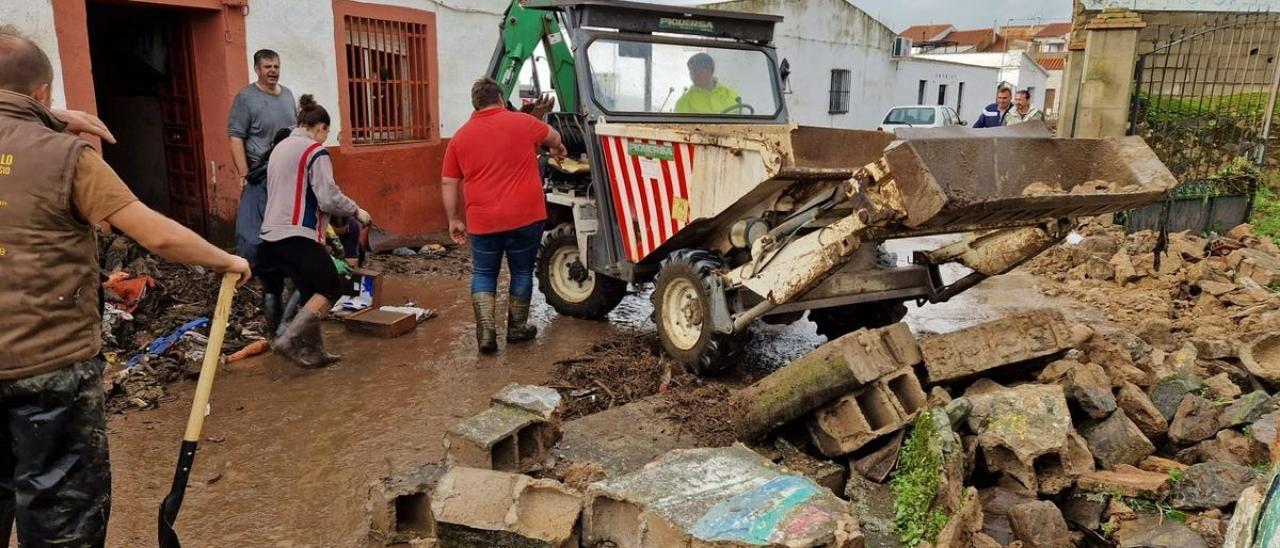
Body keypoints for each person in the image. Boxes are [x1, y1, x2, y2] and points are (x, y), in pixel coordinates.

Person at [0, 28, 251, 546]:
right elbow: (157, 233)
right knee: (61, 512)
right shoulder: (66, 157)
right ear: (43, 93)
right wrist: (228, 258)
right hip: (49, 367)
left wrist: (45, 114)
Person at [441, 78, 567, 354]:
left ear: (475, 104)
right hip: (525, 216)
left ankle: (486, 332)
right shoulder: (522, 122)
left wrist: (454, 219)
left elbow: (449, 182)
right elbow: (554, 137)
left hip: (483, 221)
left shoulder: (460, 137)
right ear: (500, 98)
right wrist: (558, 149)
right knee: (521, 270)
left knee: (484, 272)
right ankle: (517, 328)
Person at [260, 94, 372, 368]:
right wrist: (357, 211)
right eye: (326, 132)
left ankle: (316, 351)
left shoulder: (279, 148)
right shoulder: (314, 151)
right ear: (319, 127)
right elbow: (328, 197)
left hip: (271, 235)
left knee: (311, 292)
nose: (325, 138)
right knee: (332, 287)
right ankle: (288, 339)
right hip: (297, 232)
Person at [230, 49, 297, 336]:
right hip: (260, 178)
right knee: (265, 259)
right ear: (256, 68)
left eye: (276, 66)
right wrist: (244, 174)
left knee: (292, 253)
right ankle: (276, 331)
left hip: (286, 177)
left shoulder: (288, 95)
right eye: (267, 66)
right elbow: (236, 136)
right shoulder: (246, 98)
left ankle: (287, 329)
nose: (273, 70)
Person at [674, 53, 741, 114]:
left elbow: (742, 122)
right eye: (691, 72)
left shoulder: (731, 94)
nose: (694, 75)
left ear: (710, 71)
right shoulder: (684, 101)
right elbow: (679, 126)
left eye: (698, 71)